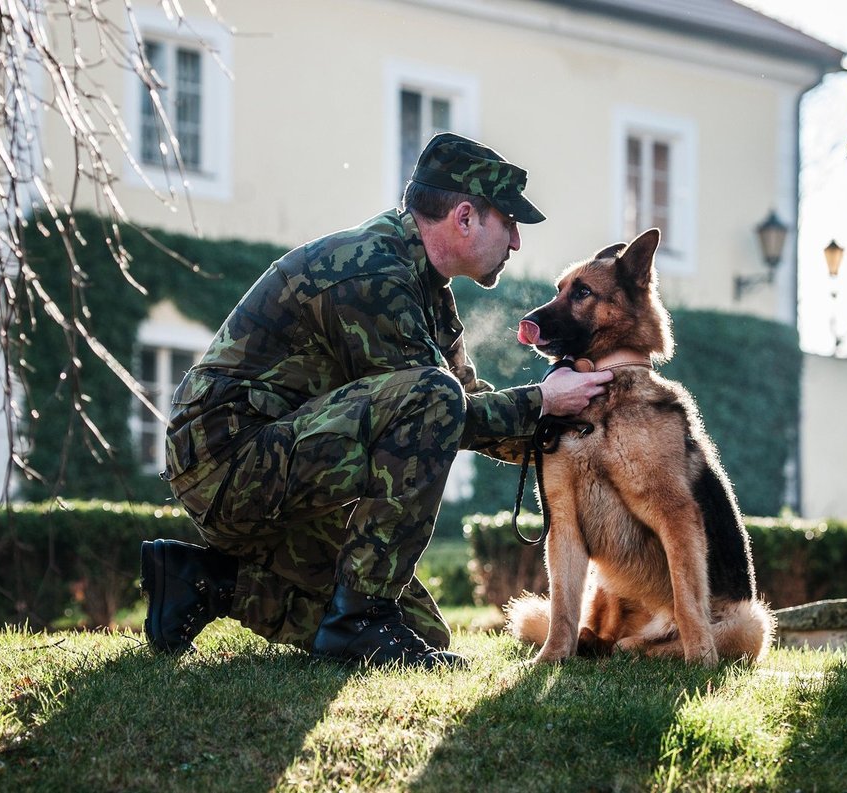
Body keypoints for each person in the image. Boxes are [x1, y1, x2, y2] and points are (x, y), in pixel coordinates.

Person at [140, 132, 613, 669]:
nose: (517, 243)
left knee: (424, 632)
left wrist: (578, 417)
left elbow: (471, 408)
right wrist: (543, 403)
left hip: (277, 461)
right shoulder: (371, 271)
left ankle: (202, 582)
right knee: (433, 396)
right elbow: (441, 412)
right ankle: (358, 622)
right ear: (464, 217)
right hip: (227, 463)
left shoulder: (429, 292)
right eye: (509, 223)